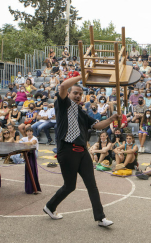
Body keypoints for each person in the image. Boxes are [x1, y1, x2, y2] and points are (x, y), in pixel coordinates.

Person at [44, 75, 118, 228]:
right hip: (67, 150)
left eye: (80, 93)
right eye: (75, 93)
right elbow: (63, 86)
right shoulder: (62, 104)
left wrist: (112, 119)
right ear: (69, 94)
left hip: (82, 151)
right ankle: (50, 207)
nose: (77, 96)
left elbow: (97, 125)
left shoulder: (82, 112)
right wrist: (82, 76)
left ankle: (100, 218)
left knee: (91, 184)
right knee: (70, 186)